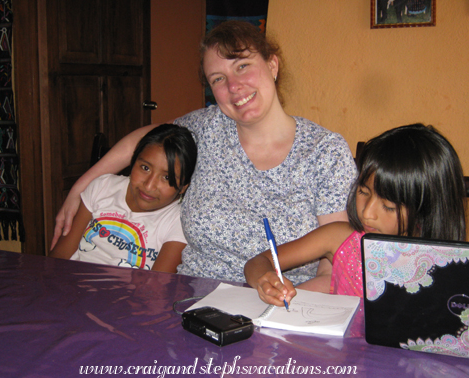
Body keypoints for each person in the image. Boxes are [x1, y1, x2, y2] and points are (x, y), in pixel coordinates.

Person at [51, 21, 357, 286]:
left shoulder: (324, 153)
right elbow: (142, 142)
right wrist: (80, 188)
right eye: (218, 79)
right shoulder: (206, 129)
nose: (234, 86)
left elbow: (333, 266)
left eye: (242, 66)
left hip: (284, 306)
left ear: (272, 66)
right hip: (191, 300)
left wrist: (278, 308)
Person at [244, 124, 467, 306]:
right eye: (363, 192)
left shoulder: (451, 266)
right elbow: (258, 261)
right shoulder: (340, 238)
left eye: (388, 206)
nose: (367, 214)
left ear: (427, 209)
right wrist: (266, 280)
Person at [49, 124, 197, 273]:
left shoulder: (179, 221)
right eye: (145, 168)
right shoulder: (102, 186)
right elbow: (60, 256)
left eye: (167, 177)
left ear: (183, 186)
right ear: (133, 161)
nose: (149, 185)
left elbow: (157, 285)